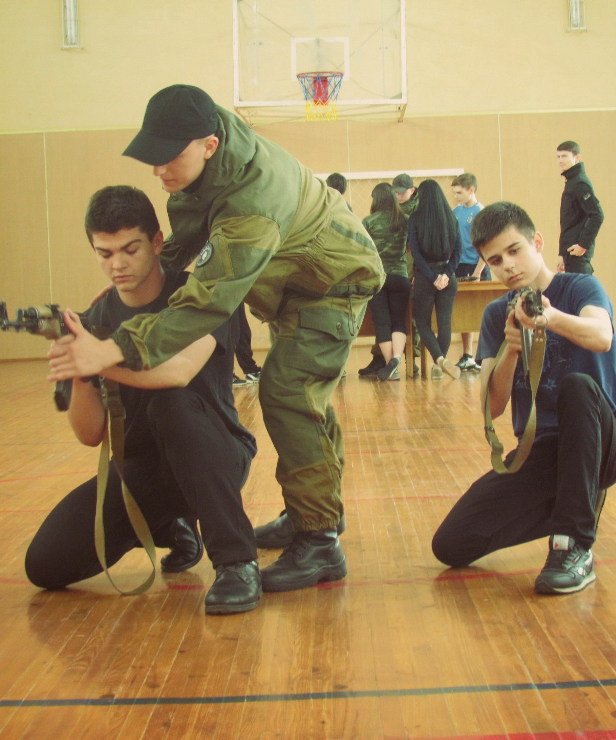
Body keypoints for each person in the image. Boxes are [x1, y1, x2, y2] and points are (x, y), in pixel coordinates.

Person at [46, 85, 384, 593]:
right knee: (302, 399)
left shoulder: (253, 199)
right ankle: (312, 514)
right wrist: (136, 277)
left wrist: (112, 348)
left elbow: (208, 299)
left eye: (168, 157)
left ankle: (319, 542)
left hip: (332, 284)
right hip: (293, 282)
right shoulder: (200, 151)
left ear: (209, 145)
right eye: (152, 156)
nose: (159, 170)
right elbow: (187, 240)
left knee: (289, 392)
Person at [26, 185, 262, 614]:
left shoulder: (200, 297)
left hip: (215, 456)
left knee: (170, 404)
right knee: (44, 564)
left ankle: (237, 562)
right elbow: (90, 434)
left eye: (129, 249)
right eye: (104, 253)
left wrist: (100, 361)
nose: (116, 264)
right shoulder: (96, 321)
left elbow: (179, 370)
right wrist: (79, 370)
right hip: (145, 471)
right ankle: (172, 528)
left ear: (156, 242)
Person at [431, 201, 616, 595]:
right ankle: (577, 503)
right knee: (451, 544)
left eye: (514, 250)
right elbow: (493, 406)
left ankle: (572, 545)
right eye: (495, 260)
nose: (507, 266)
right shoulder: (495, 315)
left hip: (598, 443)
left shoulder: (580, 287)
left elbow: (601, 336)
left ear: (537, 242)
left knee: (577, 386)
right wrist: (511, 349)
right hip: (540, 451)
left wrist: (549, 319)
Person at [360, 172, 420, 378]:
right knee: (399, 321)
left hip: (378, 278)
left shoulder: (368, 221)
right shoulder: (405, 220)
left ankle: (390, 366)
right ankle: (396, 358)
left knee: (382, 322)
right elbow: (413, 249)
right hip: (400, 276)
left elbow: (363, 250)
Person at [408, 179, 462, 380]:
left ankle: (439, 360)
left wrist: (432, 277)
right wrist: (446, 274)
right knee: (444, 323)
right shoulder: (451, 218)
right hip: (448, 277)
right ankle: (439, 366)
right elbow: (458, 250)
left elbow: (416, 255)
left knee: (422, 322)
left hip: (425, 278)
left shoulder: (415, 219)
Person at [450, 172, 486, 371]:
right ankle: (467, 355)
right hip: (459, 266)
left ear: (471, 190)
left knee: (481, 313)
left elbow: (486, 246)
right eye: (455, 193)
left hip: (476, 266)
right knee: (464, 311)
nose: (456, 196)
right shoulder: (456, 211)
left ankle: (484, 355)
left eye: (459, 193)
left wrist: (478, 272)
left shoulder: (481, 212)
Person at [556, 141, 604, 275]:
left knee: (582, 287)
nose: (560, 160)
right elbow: (569, 223)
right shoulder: (572, 182)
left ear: (577, 157)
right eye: (558, 156)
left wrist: (583, 245)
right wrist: (563, 254)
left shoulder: (580, 183)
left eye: (564, 156)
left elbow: (597, 215)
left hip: (578, 255)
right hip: (570, 253)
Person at [232, 302, 262, 386]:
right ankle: (225, 375)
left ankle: (251, 370)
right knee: (229, 331)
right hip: (219, 297)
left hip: (234, 295)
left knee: (242, 330)